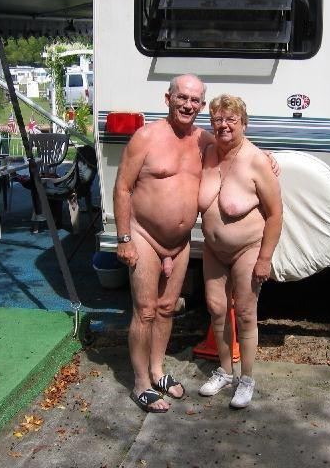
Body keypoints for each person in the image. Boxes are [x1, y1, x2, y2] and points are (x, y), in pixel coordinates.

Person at [114, 74, 209, 413]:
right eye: (182, 97)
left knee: (168, 308)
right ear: (167, 98)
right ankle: (140, 383)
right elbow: (123, 187)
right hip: (144, 236)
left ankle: (157, 371)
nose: (188, 105)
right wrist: (124, 238)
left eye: (195, 100)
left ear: (202, 105)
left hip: (180, 242)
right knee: (145, 310)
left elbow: (238, 150)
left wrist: (267, 157)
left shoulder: (204, 140)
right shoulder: (146, 137)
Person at [197, 94, 283, 409]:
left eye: (231, 119)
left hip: (248, 249)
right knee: (216, 309)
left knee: (246, 313)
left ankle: (246, 379)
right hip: (213, 250)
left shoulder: (257, 160)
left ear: (244, 123)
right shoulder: (207, 152)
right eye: (218, 119)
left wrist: (265, 259)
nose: (224, 125)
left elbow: (275, 214)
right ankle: (224, 371)